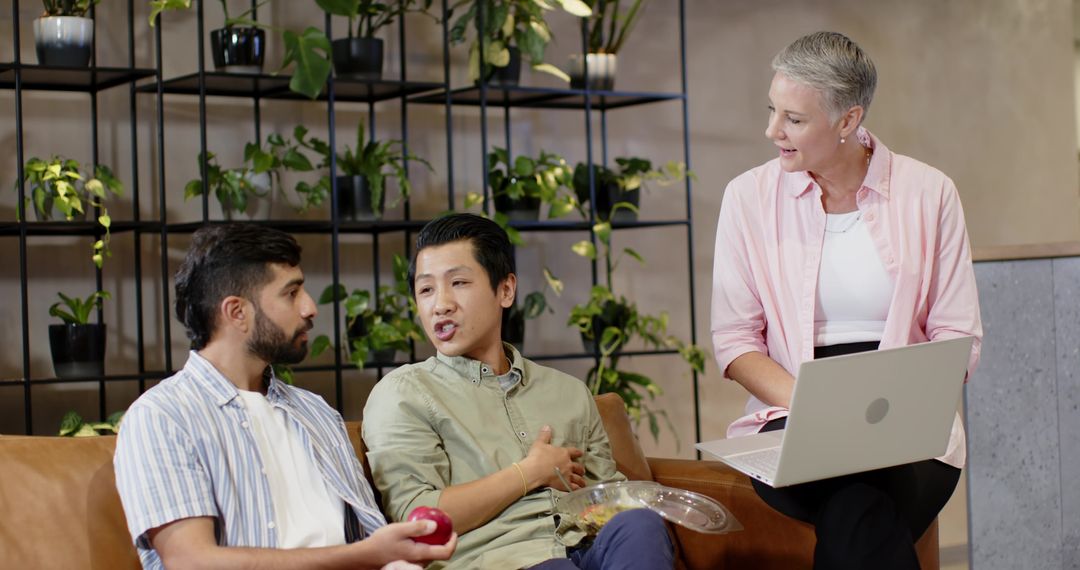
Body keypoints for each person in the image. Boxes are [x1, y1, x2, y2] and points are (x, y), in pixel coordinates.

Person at [710, 32, 982, 569]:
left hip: (910, 429)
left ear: (848, 120)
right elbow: (736, 341)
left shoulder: (929, 193)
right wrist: (818, 410)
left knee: (855, 507)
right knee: (859, 507)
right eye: (772, 111)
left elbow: (958, 337)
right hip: (791, 416)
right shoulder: (747, 198)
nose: (772, 132)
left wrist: (886, 412)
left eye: (793, 119)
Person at [113, 224, 456, 570]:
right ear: (237, 312)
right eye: (291, 294)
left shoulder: (315, 412)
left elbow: (367, 540)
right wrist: (368, 555)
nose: (310, 308)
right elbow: (193, 562)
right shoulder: (162, 418)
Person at [362, 213, 674, 570]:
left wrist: (646, 503)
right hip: (500, 560)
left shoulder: (568, 392)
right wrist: (528, 473)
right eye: (426, 289)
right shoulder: (404, 394)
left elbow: (607, 499)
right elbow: (417, 520)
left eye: (459, 283)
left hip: (585, 549)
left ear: (506, 290)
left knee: (639, 526)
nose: (441, 304)